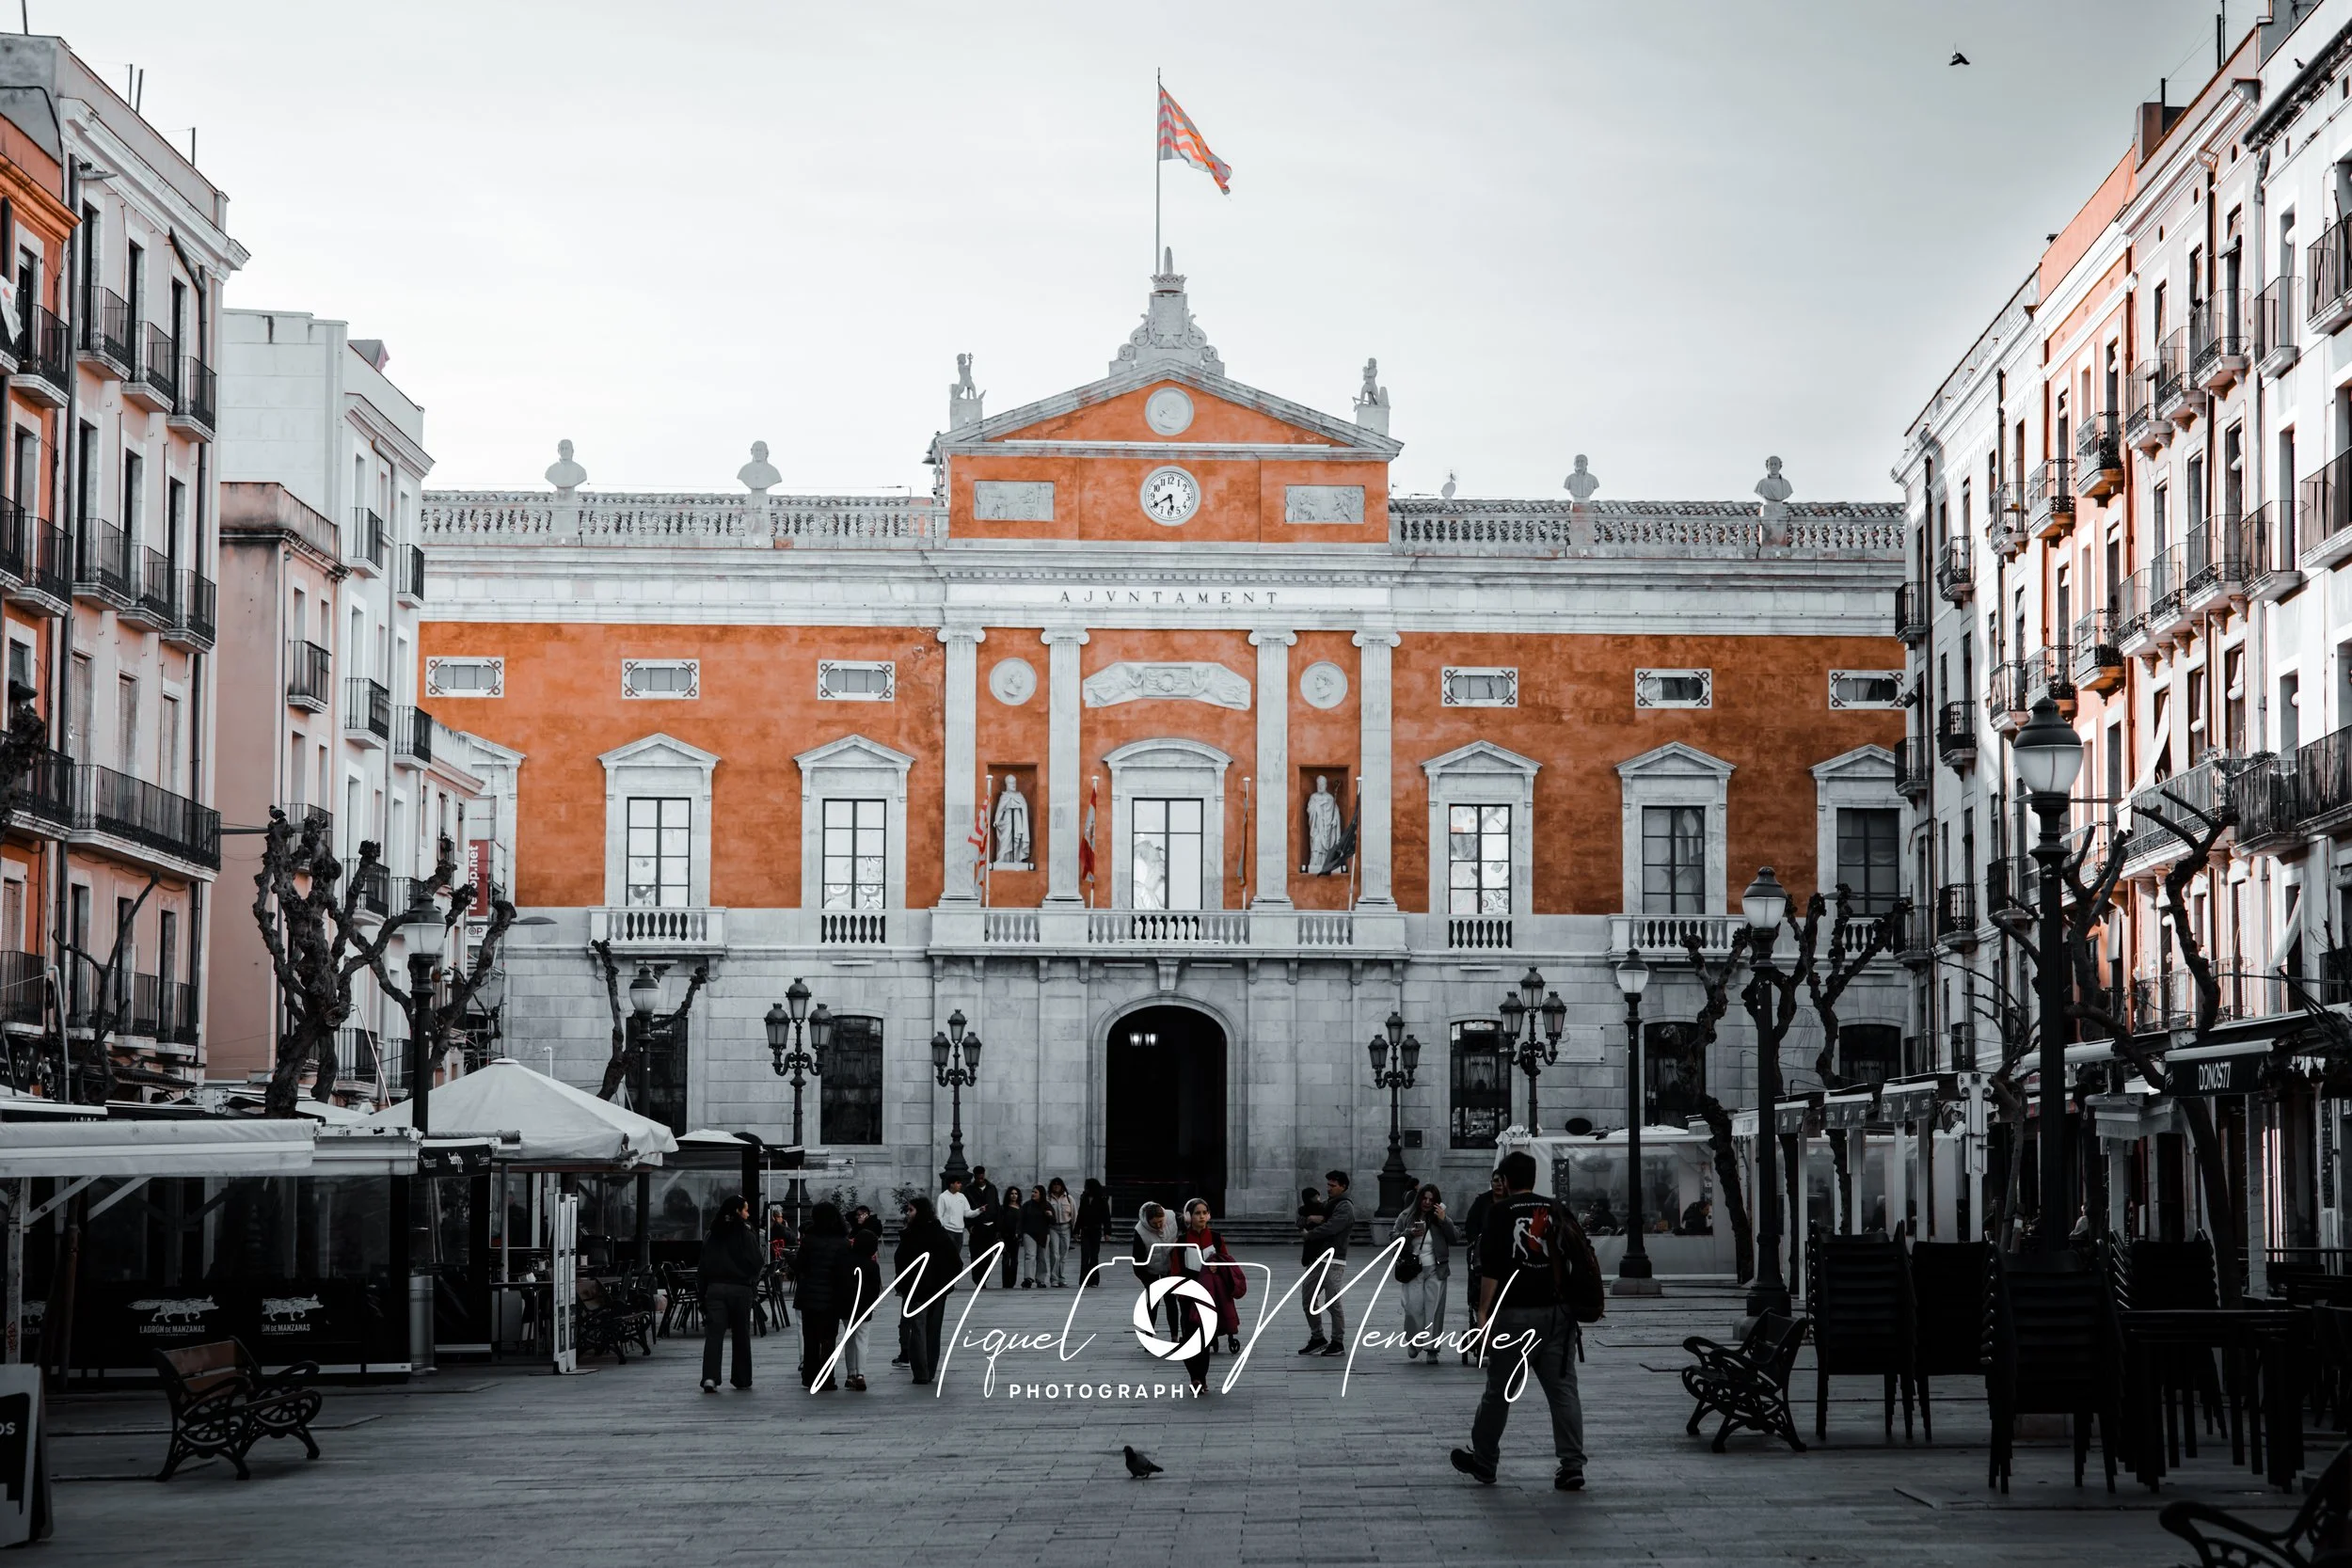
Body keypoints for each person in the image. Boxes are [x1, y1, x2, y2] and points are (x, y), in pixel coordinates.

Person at [1452, 1150, 1589, 1493]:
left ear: (1507, 1180)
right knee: (1563, 1391)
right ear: (1534, 1177)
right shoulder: (1554, 1208)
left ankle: (1485, 1460)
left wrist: (1483, 1313)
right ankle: (1572, 1464)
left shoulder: (1499, 1212)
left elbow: (1492, 1267)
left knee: (1499, 1391)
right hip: (1558, 1314)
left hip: (1514, 1315)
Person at [696, 1194, 763, 1393]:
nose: (748, 1213)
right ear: (737, 1211)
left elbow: (703, 1266)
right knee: (741, 1334)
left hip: (715, 1288)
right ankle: (741, 1378)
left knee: (714, 1335)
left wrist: (703, 1292)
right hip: (741, 1289)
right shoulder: (746, 1233)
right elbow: (757, 1261)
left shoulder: (712, 1234)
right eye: (745, 1209)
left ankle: (710, 1377)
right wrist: (751, 1279)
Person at [893, 1196, 960, 1385]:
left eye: (911, 1210)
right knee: (932, 1330)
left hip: (917, 1291)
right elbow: (955, 1262)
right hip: (936, 1291)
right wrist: (946, 1285)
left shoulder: (912, 1235)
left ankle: (922, 1373)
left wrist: (903, 1285)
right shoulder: (939, 1233)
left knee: (919, 1330)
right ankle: (929, 1370)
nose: (908, 1214)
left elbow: (901, 1261)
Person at [1392, 1183, 1461, 1361]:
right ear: (1419, 1198)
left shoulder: (1440, 1217)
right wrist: (1408, 1233)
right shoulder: (1406, 1215)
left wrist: (1444, 1219)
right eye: (1425, 1198)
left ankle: (1432, 1349)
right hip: (1412, 1268)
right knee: (1413, 1308)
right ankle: (1414, 1341)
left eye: (1431, 1199)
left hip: (1436, 1268)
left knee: (1434, 1309)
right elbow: (1393, 1238)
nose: (1427, 1202)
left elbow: (1455, 1237)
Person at [794, 1202, 852, 1392]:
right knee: (828, 1339)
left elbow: (799, 1266)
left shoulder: (809, 1240)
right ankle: (827, 1378)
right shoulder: (842, 1242)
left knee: (810, 1337)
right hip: (832, 1297)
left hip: (810, 1296)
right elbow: (845, 1273)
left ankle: (809, 1376)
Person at [1298, 1170, 1357, 1356]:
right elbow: (1300, 1218)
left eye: (1333, 1186)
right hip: (1316, 1259)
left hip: (1334, 1260)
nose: (1329, 1188)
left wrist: (1311, 1233)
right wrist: (1309, 1219)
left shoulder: (1345, 1207)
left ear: (1343, 1187)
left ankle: (1337, 1342)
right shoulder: (1326, 1205)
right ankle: (1318, 1338)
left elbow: (1332, 1227)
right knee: (1308, 1299)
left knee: (1332, 1302)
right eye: (1328, 1185)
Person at [1182, 1197, 1245, 1358]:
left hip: (1214, 1283)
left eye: (1204, 1213)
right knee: (1190, 1314)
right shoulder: (1182, 1240)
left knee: (1218, 1310)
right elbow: (1176, 1266)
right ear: (1189, 1216)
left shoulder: (1216, 1237)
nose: (1201, 1217)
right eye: (1197, 1213)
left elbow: (1226, 1259)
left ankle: (1219, 1335)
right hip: (1191, 1282)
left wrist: (1217, 1264)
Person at [1461, 1169, 1508, 1366]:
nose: (1498, 1185)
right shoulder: (1483, 1202)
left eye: (1501, 1181)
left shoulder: (1512, 1201)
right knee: (1483, 1296)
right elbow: (1470, 1225)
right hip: (1483, 1257)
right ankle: (1484, 1333)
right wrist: (1475, 1241)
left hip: (1507, 1257)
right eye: (1495, 1181)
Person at [840, 1229, 882, 1392]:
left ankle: (850, 1374)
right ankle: (860, 1374)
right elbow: (875, 1289)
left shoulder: (844, 1262)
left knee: (849, 1339)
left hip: (846, 1305)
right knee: (862, 1340)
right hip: (864, 1306)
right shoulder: (872, 1265)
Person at [935, 1172, 974, 1287]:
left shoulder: (962, 1197)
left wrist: (978, 1211)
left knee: (956, 1256)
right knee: (949, 1255)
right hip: (948, 1230)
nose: (960, 1185)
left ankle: (951, 1279)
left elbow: (967, 1212)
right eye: (958, 1183)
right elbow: (939, 1214)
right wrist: (943, 1227)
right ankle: (947, 1279)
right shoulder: (943, 1197)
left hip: (959, 1231)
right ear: (951, 1184)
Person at [1075, 1178, 1111, 1286]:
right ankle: (1084, 1280)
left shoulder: (1101, 1199)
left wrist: (1107, 1232)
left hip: (1096, 1230)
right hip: (1085, 1230)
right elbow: (1080, 1215)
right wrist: (1076, 1230)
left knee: (1094, 1256)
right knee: (1085, 1256)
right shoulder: (1084, 1198)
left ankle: (1094, 1280)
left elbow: (1106, 1217)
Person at [1020, 1185, 1053, 1288]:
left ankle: (1041, 1279)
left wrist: (1050, 1215)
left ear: (1041, 1194)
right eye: (1032, 1192)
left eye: (1035, 1192)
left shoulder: (1047, 1205)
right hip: (1029, 1233)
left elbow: (1053, 1221)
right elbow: (1021, 1219)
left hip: (1043, 1234)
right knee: (1030, 1255)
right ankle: (1028, 1278)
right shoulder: (1027, 1205)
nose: (1033, 1194)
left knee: (1042, 1257)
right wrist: (1019, 1232)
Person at [1045, 1178, 1076, 1288]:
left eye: (1058, 1184)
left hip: (1066, 1228)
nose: (1056, 1186)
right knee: (1055, 1254)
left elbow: (1074, 1214)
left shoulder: (1068, 1198)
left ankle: (1061, 1277)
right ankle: (1054, 1279)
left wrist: (1075, 1231)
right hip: (1053, 1228)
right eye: (1054, 1184)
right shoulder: (1048, 1199)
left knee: (1063, 1255)